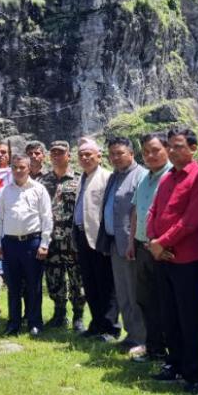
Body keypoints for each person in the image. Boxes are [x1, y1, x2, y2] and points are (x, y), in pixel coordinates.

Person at [146, 128, 198, 394]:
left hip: (189, 260)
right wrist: (154, 242)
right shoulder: (167, 178)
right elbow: (154, 211)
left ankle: (196, 373)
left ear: (192, 148)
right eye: (170, 147)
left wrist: (161, 242)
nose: (173, 151)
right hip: (163, 258)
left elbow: (191, 220)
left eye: (178, 146)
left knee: (191, 318)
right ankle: (174, 364)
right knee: (170, 315)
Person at [99, 137, 147, 357]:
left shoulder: (141, 176)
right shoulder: (114, 177)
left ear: (131, 153)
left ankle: (143, 338)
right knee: (123, 292)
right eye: (112, 154)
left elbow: (140, 211)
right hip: (115, 244)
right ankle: (131, 335)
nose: (116, 158)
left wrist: (132, 242)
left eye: (120, 153)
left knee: (136, 293)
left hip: (132, 245)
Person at [0, 155, 52, 336]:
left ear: (29, 168)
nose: (18, 171)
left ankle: (35, 323)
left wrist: (44, 243)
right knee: (13, 287)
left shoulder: (39, 189)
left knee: (34, 285)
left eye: (22, 167)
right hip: (10, 244)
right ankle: (13, 324)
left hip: (32, 243)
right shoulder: (4, 191)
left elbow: (47, 218)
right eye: (15, 167)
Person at [129, 133, 171, 362]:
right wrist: (132, 242)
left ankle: (168, 350)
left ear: (167, 149)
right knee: (145, 299)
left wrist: (162, 243)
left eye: (155, 150)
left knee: (164, 301)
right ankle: (153, 347)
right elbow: (136, 210)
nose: (150, 155)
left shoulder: (172, 176)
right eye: (146, 151)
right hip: (142, 246)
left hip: (162, 249)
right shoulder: (146, 177)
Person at [73, 138, 118, 340]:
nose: (85, 158)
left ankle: (110, 328)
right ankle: (96, 324)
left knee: (106, 284)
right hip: (82, 236)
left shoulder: (107, 177)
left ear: (99, 156)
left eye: (88, 154)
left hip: (99, 236)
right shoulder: (81, 178)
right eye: (81, 155)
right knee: (90, 284)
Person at [39, 141, 86, 331]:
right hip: (50, 241)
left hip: (72, 241)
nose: (57, 156)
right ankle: (59, 314)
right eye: (53, 153)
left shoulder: (79, 179)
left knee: (77, 280)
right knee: (54, 279)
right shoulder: (43, 181)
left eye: (61, 153)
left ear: (68, 155)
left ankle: (78, 316)